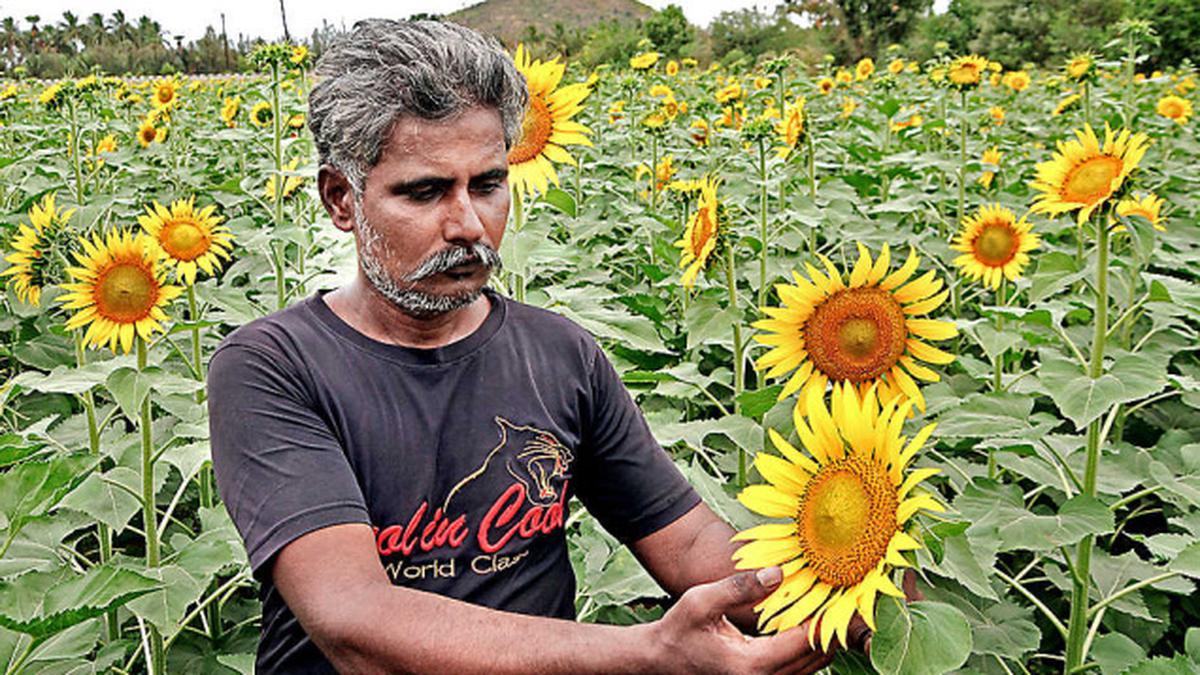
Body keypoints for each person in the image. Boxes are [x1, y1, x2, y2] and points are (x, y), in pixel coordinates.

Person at [208, 19, 869, 674]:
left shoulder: (558, 353)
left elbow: (690, 540)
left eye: (488, 183)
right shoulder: (273, 366)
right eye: (426, 190)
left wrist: (856, 583)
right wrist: (650, 654)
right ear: (340, 199)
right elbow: (355, 620)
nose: (468, 224)